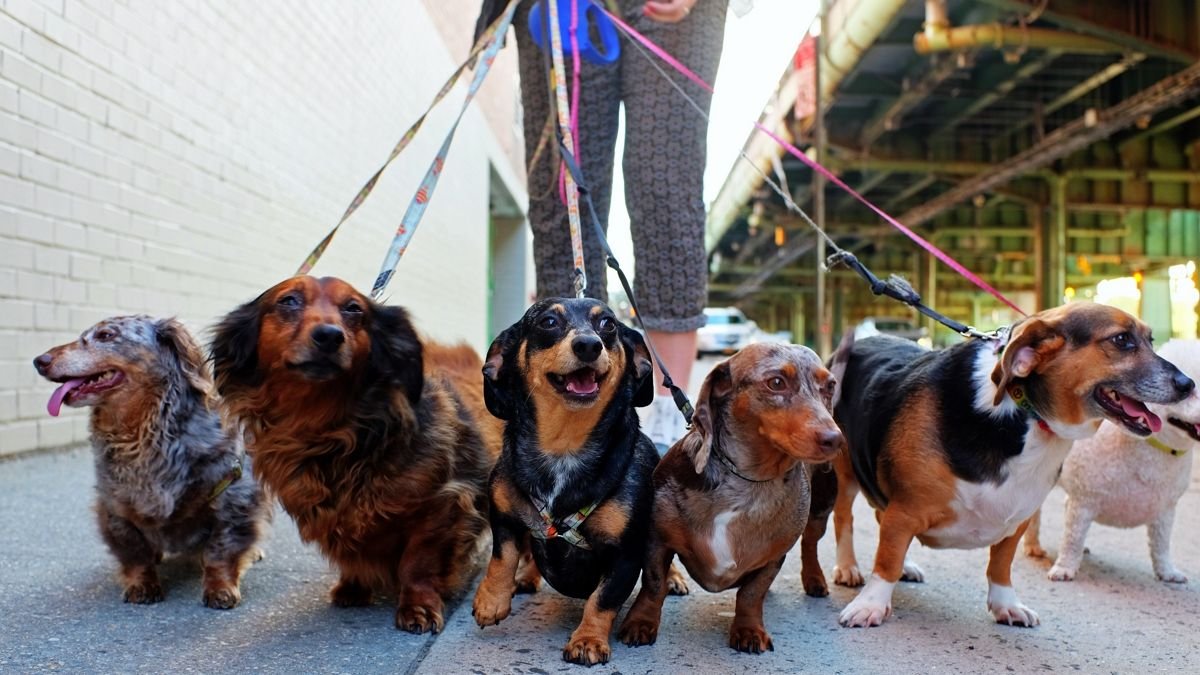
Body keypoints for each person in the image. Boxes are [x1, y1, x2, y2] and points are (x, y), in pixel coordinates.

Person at [476, 0, 729, 451]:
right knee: (562, 195)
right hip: (557, 11)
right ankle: (567, 414)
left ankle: (668, 417)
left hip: (675, 16)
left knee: (665, 186)